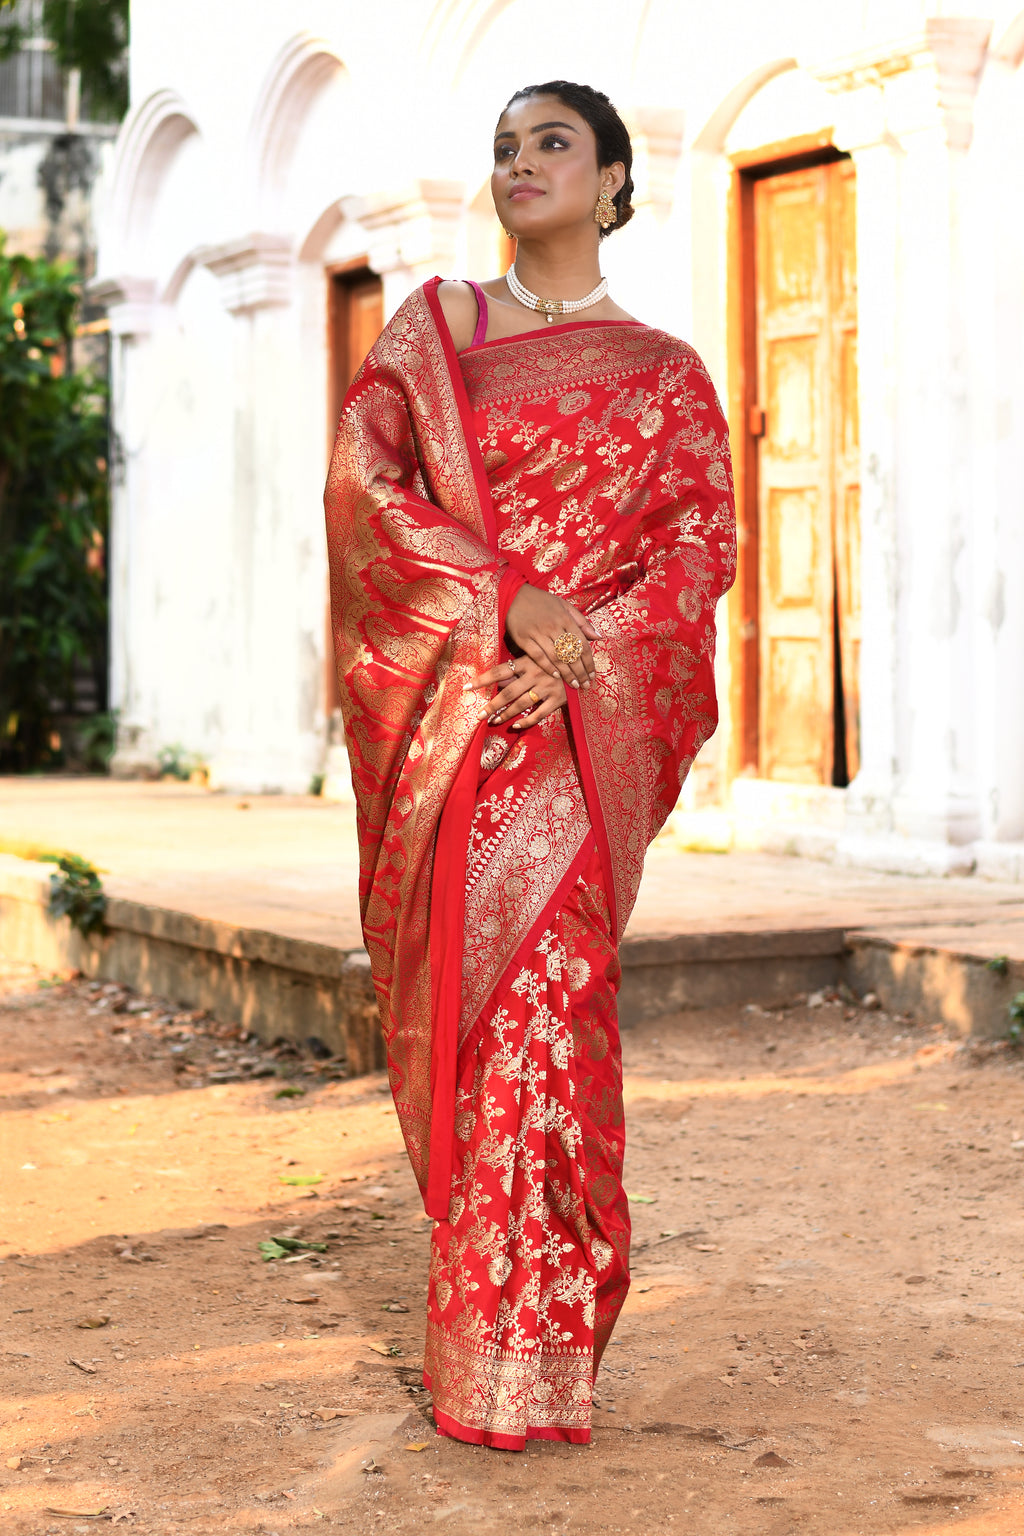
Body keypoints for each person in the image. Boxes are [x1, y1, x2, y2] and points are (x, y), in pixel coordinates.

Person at [324, 79, 736, 1450]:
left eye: (552, 142)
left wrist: (578, 650)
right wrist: (504, 594)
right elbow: (368, 498)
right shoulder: (432, 339)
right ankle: (478, 1356)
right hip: (455, 737)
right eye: (504, 146)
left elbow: (695, 558)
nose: (520, 164)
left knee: (556, 1028)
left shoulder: (668, 372)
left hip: (571, 746)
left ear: (616, 179)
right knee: (478, 1031)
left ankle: (541, 1354)